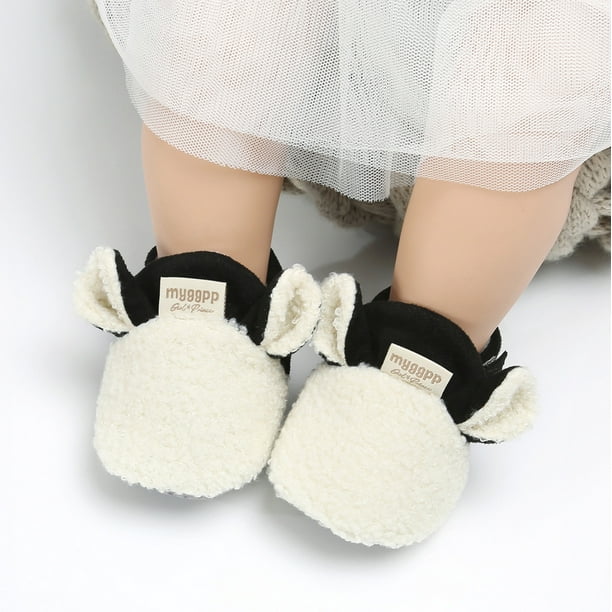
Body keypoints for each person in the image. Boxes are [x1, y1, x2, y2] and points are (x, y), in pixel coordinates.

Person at [77, 0, 610, 547]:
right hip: (329, 82)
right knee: (227, 23)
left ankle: (418, 363)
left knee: (535, 48)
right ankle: (203, 301)